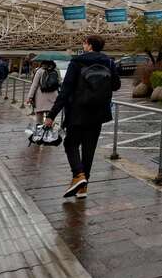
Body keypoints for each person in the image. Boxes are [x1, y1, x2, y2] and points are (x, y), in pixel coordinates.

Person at [45, 35, 120, 199]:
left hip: (78, 112)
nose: (83, 46)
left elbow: (65, 91)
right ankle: (83, 188)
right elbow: (116, 85)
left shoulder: (77, 62)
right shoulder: (109, 62)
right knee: (89, 149)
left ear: (89, 45)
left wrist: (51, 116)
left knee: (70, 144)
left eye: (84, 43)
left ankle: (78, 175)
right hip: (99, 113)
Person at [26, 60, 60, 128]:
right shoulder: (56, 70)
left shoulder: (39, 71)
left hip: (40, 98)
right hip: (52, 97)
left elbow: (34, 85)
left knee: (39, 120)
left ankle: (39, 134)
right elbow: (59, 82)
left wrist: (29, 97)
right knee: (50, 118)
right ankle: (49, 135)